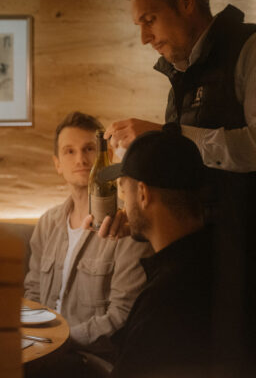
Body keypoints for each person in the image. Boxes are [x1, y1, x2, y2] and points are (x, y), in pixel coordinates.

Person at [24, 112, 150, 375]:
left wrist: (58, 340)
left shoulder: (126, 225)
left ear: (107, 157)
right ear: (57, 163)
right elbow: (33, 295)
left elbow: (122, 316)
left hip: (94, 361)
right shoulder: (47, 223)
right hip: (43, 354)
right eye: (69, 151)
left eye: (89, 149)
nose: (80, 159)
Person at [104, 0, 256, 173]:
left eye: (150, 20)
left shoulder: (250, 48)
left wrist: (168, 136)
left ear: (186, 2)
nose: (144, 38)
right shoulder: (180, 72)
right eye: (140, 26)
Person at [93, 126, 213, 378]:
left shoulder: (166, 298)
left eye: (124, 191)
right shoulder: (218, 258)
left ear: (143, 194)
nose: (124, 205)